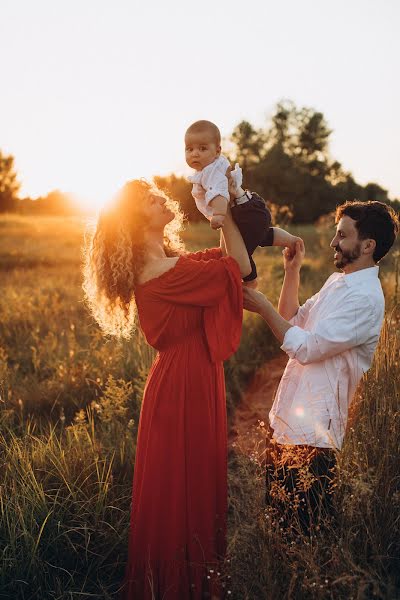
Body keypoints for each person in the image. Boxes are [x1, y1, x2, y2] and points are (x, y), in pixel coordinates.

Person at [83, 178, 251, 599]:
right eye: (151, 199)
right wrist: (223, 211)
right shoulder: (161, 272)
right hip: (182, 386)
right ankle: (180, 586)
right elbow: (241, 270)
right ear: (138, 218)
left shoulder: (171, 262)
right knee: (183, 485)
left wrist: (233, 202)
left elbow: (234, 261)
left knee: (193, 480)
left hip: (189, 377)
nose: (163, 199)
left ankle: (194, 581)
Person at [242, 200, 399, 532]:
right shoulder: (337, 282)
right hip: (286, 419)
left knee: (305, 534)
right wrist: (292, 271)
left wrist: (262, 306)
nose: (333, 243)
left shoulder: (364, 298)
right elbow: (292, 321)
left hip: (314, 438)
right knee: (277, 527)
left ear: (368, 245)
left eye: (342, 235)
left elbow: (307, 348)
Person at [185, 119, 301, 286]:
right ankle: (291, 241)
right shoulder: (214, 165)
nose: (195, 153)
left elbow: (219, 194)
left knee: (240, 251)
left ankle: (250, 281)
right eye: (189, 149)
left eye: (202, 148)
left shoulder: (211, 172)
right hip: (250, 206)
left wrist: (219, 214)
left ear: (217, 151)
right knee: (262, 234)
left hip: (243, 212)